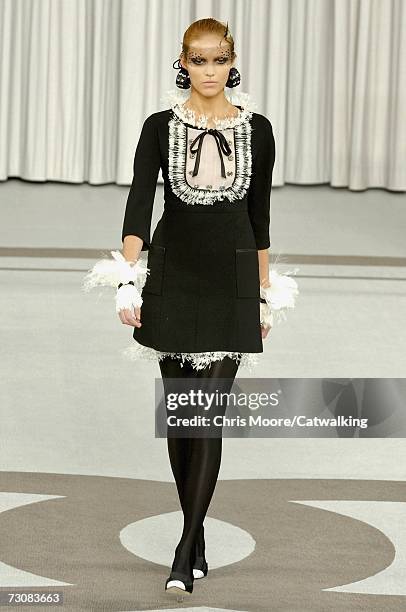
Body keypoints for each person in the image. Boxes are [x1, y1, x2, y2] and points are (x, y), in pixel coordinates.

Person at [84, 17, 277, 601]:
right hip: (174, 271)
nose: (210, 71)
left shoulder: (259, 130)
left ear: (232, 62)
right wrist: (127, 282)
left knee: (207, 415)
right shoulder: (159, 127)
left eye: (219, 60)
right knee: (181, 415)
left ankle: (184, 543)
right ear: (183, 63)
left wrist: (265, 292)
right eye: (199, 60)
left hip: (234, 272)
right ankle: (195, 545)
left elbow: (261, 216)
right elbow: (139, 204)